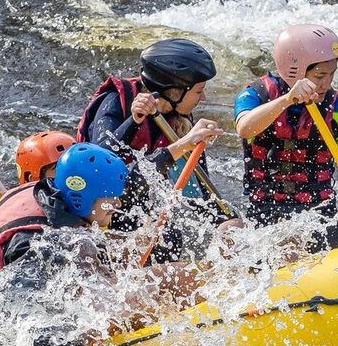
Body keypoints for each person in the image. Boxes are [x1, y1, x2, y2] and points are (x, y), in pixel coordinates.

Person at [0, 143, 134, 346]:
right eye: (110, 198)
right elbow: (21, 313)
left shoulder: (45, 192)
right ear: (86, 196)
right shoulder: (38, 244)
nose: (118, 204)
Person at [79, 37, 240, 257]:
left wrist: (226, 221)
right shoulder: (117, 101)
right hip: (102, 215)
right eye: (199, 91)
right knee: (157, 236)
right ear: (174, 92)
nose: (204, 97)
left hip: (143, 214)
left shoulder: (180, 119)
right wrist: (134, 121)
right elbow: (101, 166)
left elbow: (200, 190)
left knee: (170, 237)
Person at [233, 24, 338, 251]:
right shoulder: (255, 97)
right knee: (230, 232)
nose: (327, 83)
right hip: (264, 215)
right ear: (293, 70)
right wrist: (286, 101)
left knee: (294, 244)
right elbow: (244, 129)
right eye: (319, 75)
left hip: (319, 220)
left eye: (332, 74)